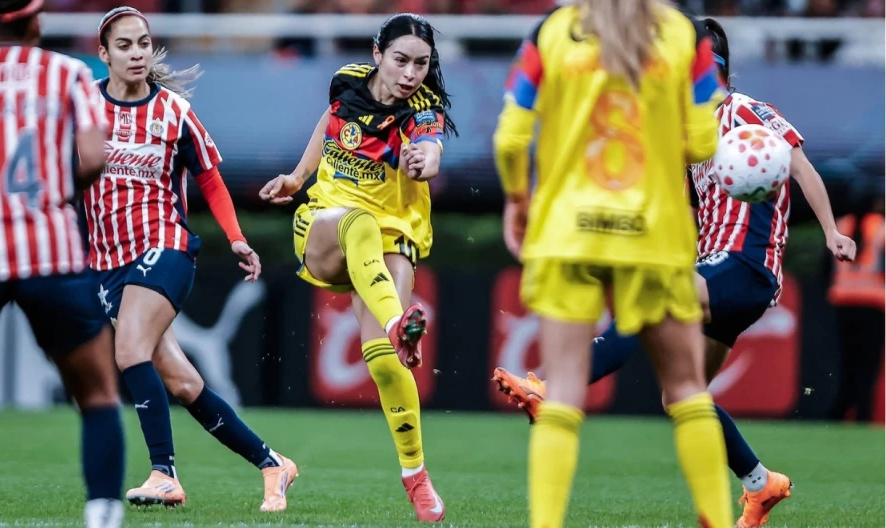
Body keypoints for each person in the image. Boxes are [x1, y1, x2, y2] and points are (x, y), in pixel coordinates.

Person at [492, 15, 858, 528]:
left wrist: (829, 232)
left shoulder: (745, 111)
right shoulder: (685, 136)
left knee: (652, 305)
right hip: (713, 265)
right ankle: (761, 484)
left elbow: (800, 165)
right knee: (683, 395)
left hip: (746, 262)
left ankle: (556, 387)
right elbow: (686, 209)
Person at [492, 1, 733, 527]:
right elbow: (702, 142)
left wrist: (516, 198)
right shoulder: (687, 36)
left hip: (567, 232)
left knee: (562, 393)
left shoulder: (551, 29)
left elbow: (510, 136)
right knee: (689, 390)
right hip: (653, 235)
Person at [86, 6, 297, 512]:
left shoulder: (173, 111)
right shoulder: (84, 108)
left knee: (130, 349)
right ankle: (272, 463)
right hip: (108, 263)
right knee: (181, 381)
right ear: (104, 54)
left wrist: (236, 237)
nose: (137, 53)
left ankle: (164, 472)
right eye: (124, 45)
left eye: (143, 43)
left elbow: (208, 177)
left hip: (165, 248)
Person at [260, 12, 456, 523]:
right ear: (377, 55)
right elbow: (330, 122)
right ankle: (398, 322)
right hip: (326, 225)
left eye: (422, 63)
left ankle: (415, 476)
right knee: (356, 221)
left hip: (392, 239)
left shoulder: (422, 110)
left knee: (387, 365)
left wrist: (423, 163)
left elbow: (431, 150)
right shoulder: (346, 80)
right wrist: (298, 176)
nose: (411, 73)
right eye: (401, 60)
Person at [0, 1, 125, 527]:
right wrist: (53, 192)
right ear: (36, 24)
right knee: (98, 394)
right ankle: (102, 515)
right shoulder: (70, 72)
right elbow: (95, 157)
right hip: (49, 249)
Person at [828, 193, 883, 422]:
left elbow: (826, 269)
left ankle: (838, 414)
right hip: (873, 305)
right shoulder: (881, 228)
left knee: (846, 363)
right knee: (868, 366)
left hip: (844, 305)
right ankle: (862, 415)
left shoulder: (840, 225)